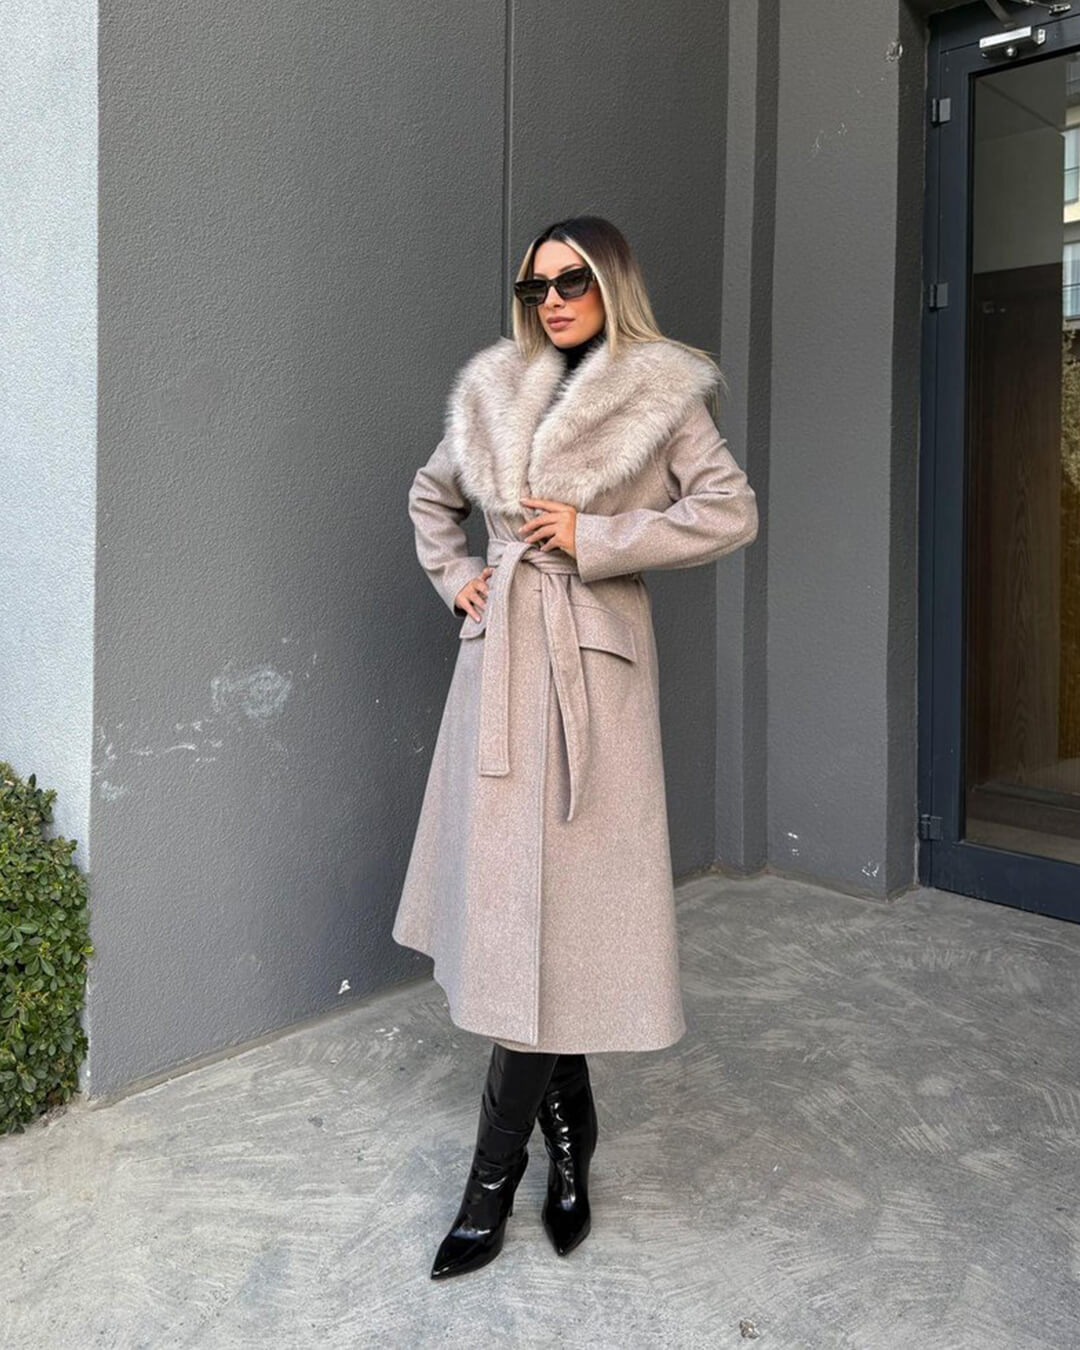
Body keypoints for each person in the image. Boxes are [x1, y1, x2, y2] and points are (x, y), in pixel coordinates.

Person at [392, 215, 759, 1279]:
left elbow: (730, 510)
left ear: (611, 283)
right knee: (519, 917)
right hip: (503, 665)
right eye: (536, 285)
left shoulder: (663, 391)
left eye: (571, 281)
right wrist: (458, 578)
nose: (551, 300)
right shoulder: (494, 388)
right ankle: (568, 1134)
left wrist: (597, 538)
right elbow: (430, 496)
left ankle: (488, 1186)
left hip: (593, 675)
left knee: (562, 914)